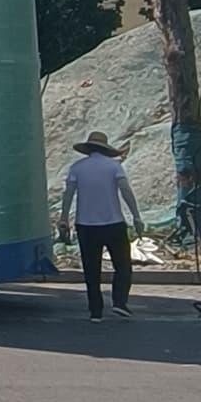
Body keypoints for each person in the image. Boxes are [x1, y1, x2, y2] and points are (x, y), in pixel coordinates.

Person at [58, 130, 142, 322]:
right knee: (122, 266)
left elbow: (68, 194)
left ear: (88, 149)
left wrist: (64, 218)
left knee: (91, 270)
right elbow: (126, 191)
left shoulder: (77, 168)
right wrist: (136, 216)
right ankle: (120, 302)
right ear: (105, 149)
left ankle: (95, 311)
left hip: (86, 225)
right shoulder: (113, 166)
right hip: (114, 223)